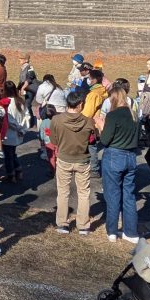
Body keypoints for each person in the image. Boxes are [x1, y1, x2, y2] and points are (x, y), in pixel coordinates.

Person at [100, 83, 141, 243]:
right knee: (129, 196)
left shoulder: (113, 116)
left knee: (113, 195)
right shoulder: (134, 116)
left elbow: (105, 140)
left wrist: (101, 126)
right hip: (130, 156)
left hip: (114, 156)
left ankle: (112, 230)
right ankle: (130, 232)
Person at [52, 91, 94, 234]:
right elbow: (93, 139)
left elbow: (53, 141)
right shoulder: (88, 121)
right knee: (83, 193)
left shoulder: (56, 120)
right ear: (80, 104)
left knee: (63, 192)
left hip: (64, 159)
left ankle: (62, 223)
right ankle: (83, 225)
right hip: (82, 160)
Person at [0, 80, 29, 184]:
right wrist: (22, 129)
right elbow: (27, 117)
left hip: (9, 133)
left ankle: (11, 175)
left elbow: (7, 120)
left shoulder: (5, 102)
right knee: (13, 152)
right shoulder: (20, 101)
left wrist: (17, 128)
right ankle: (18, 170)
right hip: (18, 133)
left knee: (8, 155)